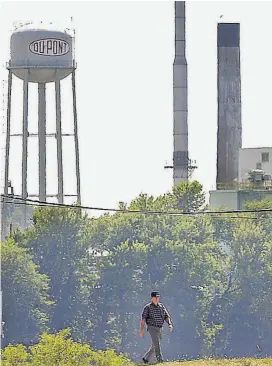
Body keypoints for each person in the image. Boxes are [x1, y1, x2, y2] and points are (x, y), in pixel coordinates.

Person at [139, 291, 173, 364]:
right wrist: (141, 330)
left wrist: (169, 324)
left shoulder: (161, 306)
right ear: (152, 298)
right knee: (156, 344)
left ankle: (146, 358)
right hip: (152, 328)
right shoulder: (147, 307)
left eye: (158, 297)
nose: (157, 299)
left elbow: (166, 316)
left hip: (160, 328)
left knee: (155, 345)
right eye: (155, 297)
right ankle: (160, 360)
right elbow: (143, 319)